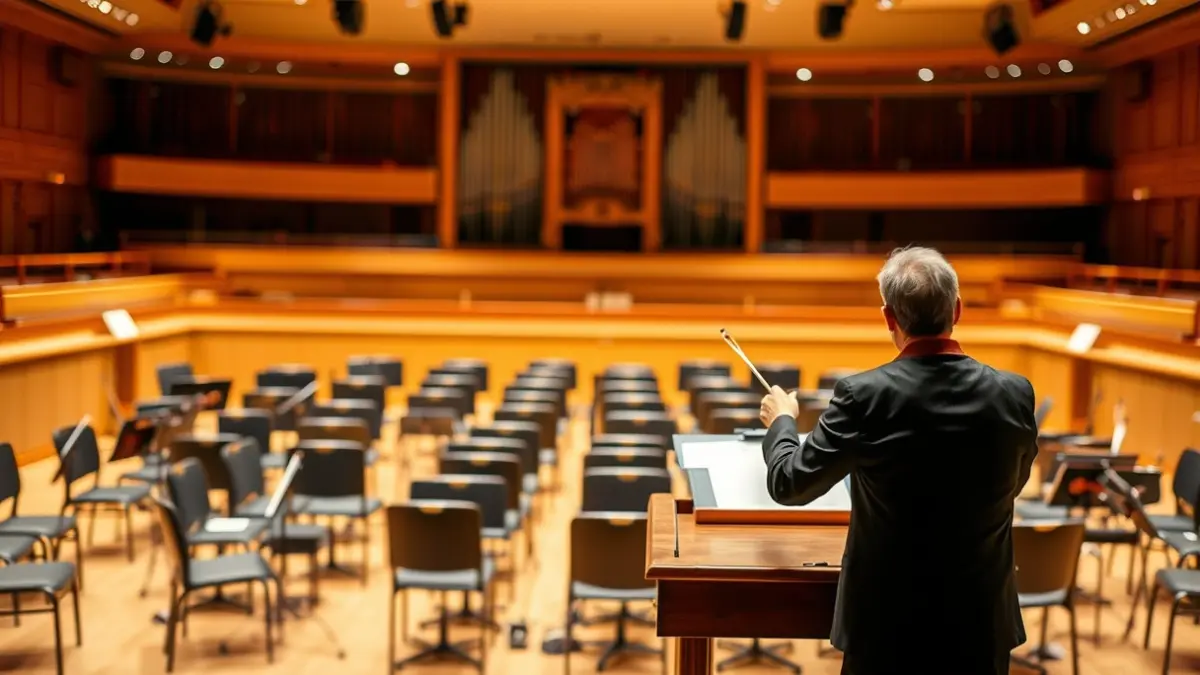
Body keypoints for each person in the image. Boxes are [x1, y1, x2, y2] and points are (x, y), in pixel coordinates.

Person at [759, 246, 1038, 675]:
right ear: (958, 309)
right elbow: (1011, 485)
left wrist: (781, 422)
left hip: (886, 627)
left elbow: (789, 483)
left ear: (890, 318)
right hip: (980, 621)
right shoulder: (1015, 393)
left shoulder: (863, 395)